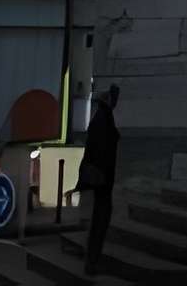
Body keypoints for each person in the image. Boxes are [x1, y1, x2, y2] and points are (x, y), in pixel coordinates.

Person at [80, 85, 119, 278]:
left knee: (99, 222)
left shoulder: (101, 118)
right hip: (103, 180)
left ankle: (92, 261)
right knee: (99, 223)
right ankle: (91, 263)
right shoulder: (103, 119)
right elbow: (101, 152)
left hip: (102, 179)